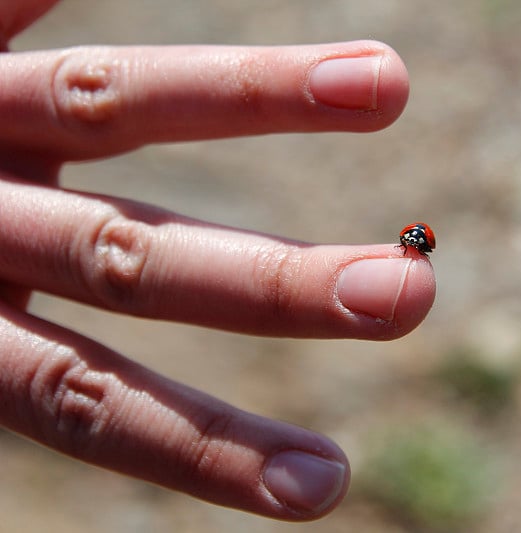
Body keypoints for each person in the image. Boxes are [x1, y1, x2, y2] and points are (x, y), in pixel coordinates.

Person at [0, 0, 435, 522]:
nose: (410, 245)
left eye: (412, 246)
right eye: (410, 245)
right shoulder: (413, 240)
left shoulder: (414, 241)